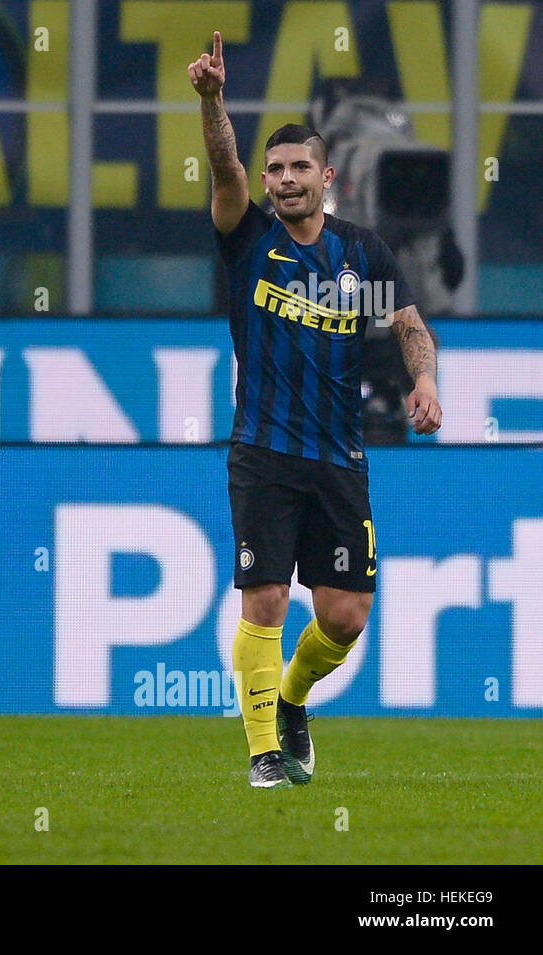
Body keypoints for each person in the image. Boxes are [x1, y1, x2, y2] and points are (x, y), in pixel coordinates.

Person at [188, 32, 441, 788]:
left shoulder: (365, 255)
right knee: (264, 596)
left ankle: (294, 699)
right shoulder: (249, 237)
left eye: (301, 167)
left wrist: (424, 381)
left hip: (340, 456)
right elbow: (224, 164)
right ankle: (265, 750)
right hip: (262, 451)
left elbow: (410, 324)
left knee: (344, 618)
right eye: (277, 168)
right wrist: (213, 103)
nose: (286, 179)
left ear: (327, 177)